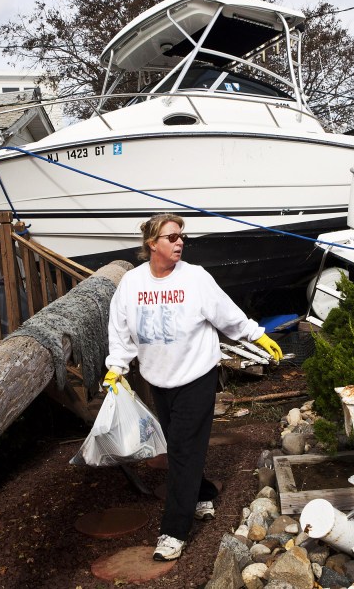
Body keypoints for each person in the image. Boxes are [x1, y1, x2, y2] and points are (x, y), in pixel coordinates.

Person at [102, 213, 283, 561]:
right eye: (171, 237)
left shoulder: (195, 278)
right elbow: (120, 328)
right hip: (158, 378)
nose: (179, 242)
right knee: (179, 445)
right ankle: (202, 493)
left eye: (181, 236)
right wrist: (117, 367)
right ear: (152, 243)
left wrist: (256, 334)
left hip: (197, 376)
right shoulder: (132, 283)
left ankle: (173, 531)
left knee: (183, 449)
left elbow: (226, 314)